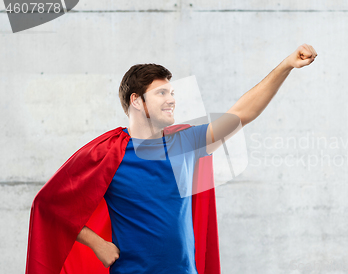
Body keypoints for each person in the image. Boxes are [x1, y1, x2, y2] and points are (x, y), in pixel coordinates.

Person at [28, 44, 317, 274]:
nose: (171, 99)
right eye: (161, 92)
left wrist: (286, 65)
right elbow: (50, 205)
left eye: (172, 91)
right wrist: (97, 244)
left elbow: (241, 115)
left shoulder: (184, 143)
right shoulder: (108, 153)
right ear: (136, 101)